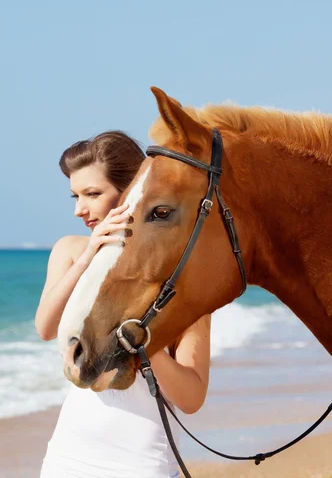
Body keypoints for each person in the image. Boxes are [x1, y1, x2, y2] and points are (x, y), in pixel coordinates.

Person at [35, 130, 212, 478]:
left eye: (92, 194)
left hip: (143, 465)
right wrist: (90, 255)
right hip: (67, 459)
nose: (78, 209)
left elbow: (191, 399)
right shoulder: (70, 251)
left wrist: (144, 344)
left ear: (132, 191)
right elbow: (45, 327)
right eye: (74, 195)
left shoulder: (181, 276)